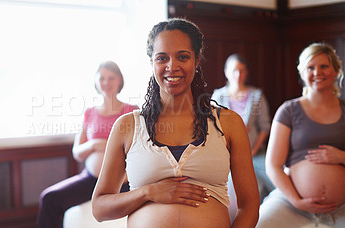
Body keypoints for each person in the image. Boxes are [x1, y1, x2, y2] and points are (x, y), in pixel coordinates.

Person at [92, 18, 259, 228]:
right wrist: (148, 192)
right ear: (152, 62)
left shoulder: (229, 123)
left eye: (183, 57)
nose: (172, 66)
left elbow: (249, 206)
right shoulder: (127, 126)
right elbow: (99, 208)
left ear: (196, 60)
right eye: (162, 58)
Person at [37, 60, 138, 228]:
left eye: (111, 78)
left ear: (119, 80)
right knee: (49, 198)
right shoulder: (89, 113)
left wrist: (105, 146)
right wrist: (94, 145)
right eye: (102, 78)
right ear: (96, 83)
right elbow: (77, 152)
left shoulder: (132, 111)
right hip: (91, 180)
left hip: (122, 183)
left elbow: (139, 150)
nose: (106, 83)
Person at [257, 43, 345, 228]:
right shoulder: (288, 110)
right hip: (291, 203)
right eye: (310, 67)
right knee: (260, 224)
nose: (317, 72)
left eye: (324, 66)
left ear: (336, 71)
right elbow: (273, 165)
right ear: (302, 73)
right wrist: (296, 201)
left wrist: (340, 156)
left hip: (341, 206)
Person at [212, 54, 274, 220]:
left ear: (246, 73)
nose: (238, 75)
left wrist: (253, 150)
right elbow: (211, 128)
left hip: (255, 153)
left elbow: (265, 127)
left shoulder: (257, 96)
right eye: (234, 71)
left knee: (274, 182)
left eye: (241, 71)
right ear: (226, 72)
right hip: (226, 156)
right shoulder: (218, 96)